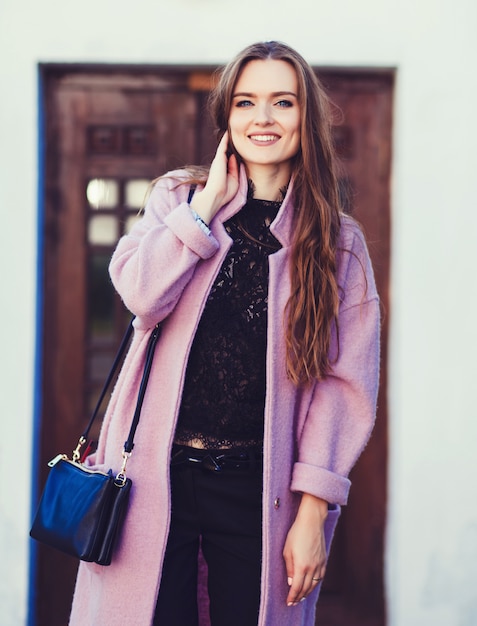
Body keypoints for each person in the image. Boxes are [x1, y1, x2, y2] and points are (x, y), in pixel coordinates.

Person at [70, 41, 380, 626]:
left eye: (282, 102)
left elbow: (344, 387)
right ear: (227, 116)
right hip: (150, 482)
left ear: (305, 117)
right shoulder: (177, 200)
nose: (262, 118)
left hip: (259, 490)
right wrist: (206, 206)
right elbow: (140, 295)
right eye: (246, 102)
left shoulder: (339, 243)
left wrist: (313, 512)